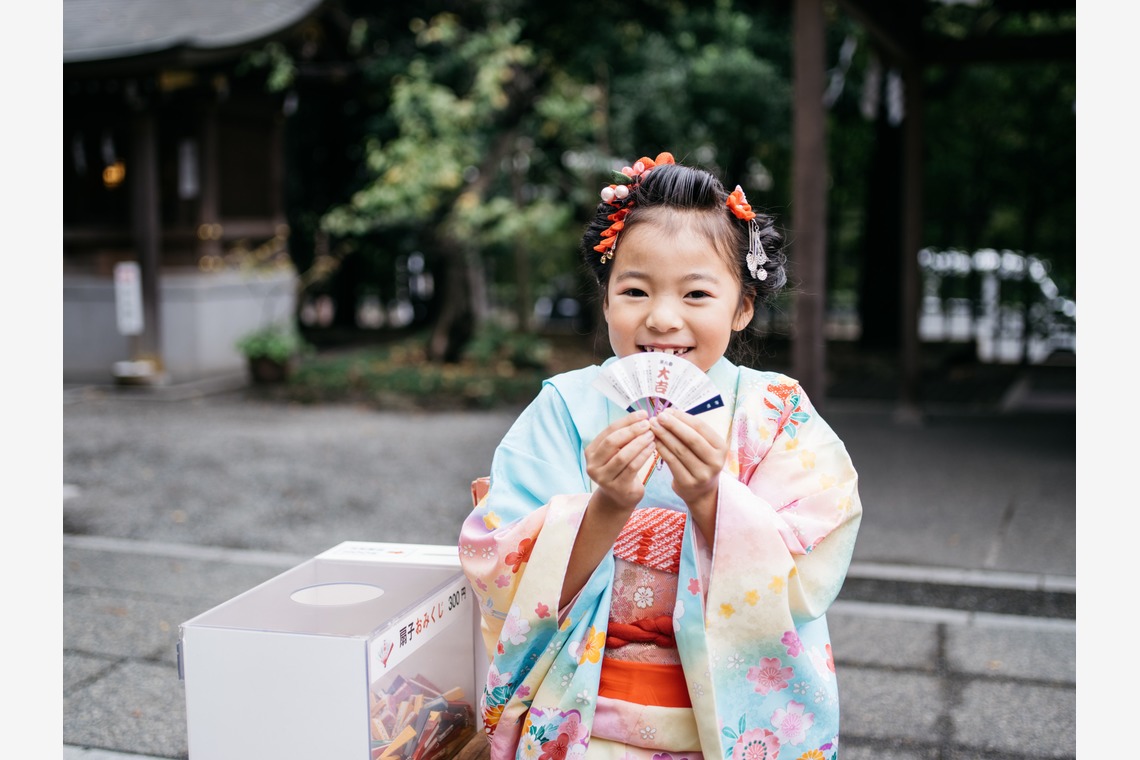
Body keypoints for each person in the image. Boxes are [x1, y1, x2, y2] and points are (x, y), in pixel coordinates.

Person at [458, 151, 862, 760]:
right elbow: (496, 567)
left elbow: (811, 570)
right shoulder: (564, 407)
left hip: (726, 717)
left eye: (696, 293)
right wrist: (607, 507)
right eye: (635, 290)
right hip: (582, 709)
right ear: (606, 299)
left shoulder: (776, 412)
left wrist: (709, 499)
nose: (662, 317)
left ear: (742, 306)